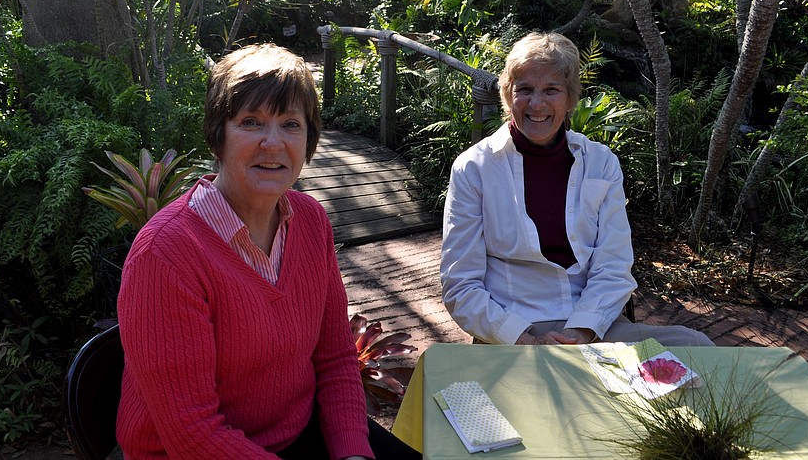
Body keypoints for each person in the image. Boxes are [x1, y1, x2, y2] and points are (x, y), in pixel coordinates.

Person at [116, 43, 421, 460]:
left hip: (295, 433)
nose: (273, 143)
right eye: (251, 122)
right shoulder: (165, 256)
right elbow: (193, 434)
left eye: (290, 124)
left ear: (309, 139)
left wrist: (352, 452)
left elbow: (334, 357)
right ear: (217, 136)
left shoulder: (310, 221)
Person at [440, 31, 713, 347]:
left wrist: (580, 333)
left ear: (570, 98)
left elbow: (613, 265)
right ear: (507, 95)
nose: (537, 103)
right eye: (524, 89)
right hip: (511, 330)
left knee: (697, 348)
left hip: (590, 324)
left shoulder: (600, 162)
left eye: (551, 90)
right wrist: (524, 340)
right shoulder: (474, 167)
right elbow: (461, 284)